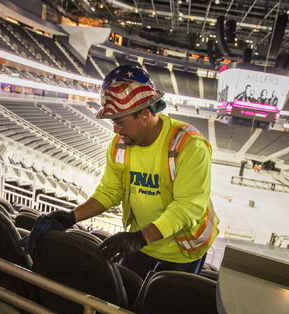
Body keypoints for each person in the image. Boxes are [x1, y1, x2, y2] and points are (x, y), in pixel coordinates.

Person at [46, 65, 218, 280]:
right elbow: (110, 191)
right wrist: (71, 217)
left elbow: (187, 208)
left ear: (145, 114)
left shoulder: (189, 145)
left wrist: (139, 238)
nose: (115, 130)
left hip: (182, 251)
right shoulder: (119, 145)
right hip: (143, 245)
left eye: (120, 121)